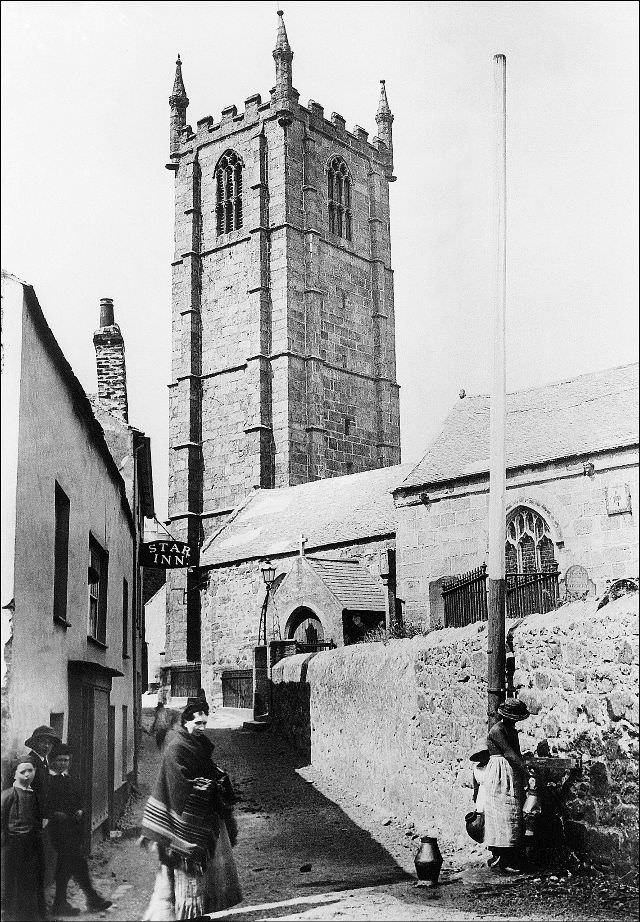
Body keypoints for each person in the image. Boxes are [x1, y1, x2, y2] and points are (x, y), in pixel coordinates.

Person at [140, 700, 242, 919]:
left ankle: (200, 910)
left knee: (205, 867)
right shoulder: (176, 747)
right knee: (186, 868)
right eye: (197, 723)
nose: (202, 727)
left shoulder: (199, 745)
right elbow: (178, 783)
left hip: (202, 814)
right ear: (186, 722)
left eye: (204, 723)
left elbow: (206, 769)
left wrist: (218, 777)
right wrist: (205, 787)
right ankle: (189, 913)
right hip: (181, 819)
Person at [47, 744, 112, 916]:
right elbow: (44, 805)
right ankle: (92, 899)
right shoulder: (48, 781)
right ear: (51, 761)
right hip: (59, 830)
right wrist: (55, 813)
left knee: (67, 865)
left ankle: (61, 904)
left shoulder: (70, 779)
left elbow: (79, 799)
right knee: (76, 863)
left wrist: (80, 810)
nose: (63, 763)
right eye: (60, 760)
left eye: (66, 760)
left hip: (73, 829)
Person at [484, 698, 531, 873]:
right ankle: (504, 859)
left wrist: (523, 769)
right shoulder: (497, 730)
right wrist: (526, 769)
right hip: (499, 773)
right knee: (502, 814)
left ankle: (508, 856)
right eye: (512, 718)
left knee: (513, 812)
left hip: (510, 772)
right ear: (506, 716)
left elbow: (516, 753)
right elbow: (509, 753)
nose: (514, 722)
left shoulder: (511, 730)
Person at [1, 756, 47, 921]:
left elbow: (38, 818)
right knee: (15, 882)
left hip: (32, 843)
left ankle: (34, 915)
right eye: (23, 772)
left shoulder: (34, 795)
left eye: (30, 770)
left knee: (33, 879)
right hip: (15, 845)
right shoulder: (8, 795)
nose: (27, 775)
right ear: (15, 774)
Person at [24, 724, 61, 819]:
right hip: (32, 817)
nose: (47, 746)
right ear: (35, 743)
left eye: (50, 743)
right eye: (43, 742)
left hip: (42, 815)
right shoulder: (29, 763)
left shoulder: (44, 762)